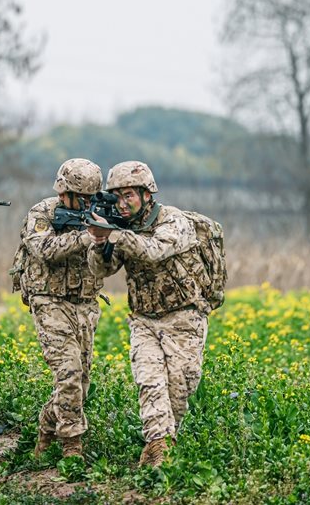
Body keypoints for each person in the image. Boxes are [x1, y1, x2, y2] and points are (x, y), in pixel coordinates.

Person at [86, 161, 210, 467]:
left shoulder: (174, 221)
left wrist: (116, 233)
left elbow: (154, 251)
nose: (123, 203)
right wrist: (100, 240)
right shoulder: (121, 227)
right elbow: (102, 269)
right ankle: (158, 448)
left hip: (184, 319)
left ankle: (165, 442)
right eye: (117, 196)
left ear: (147, 194)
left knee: (179, 389)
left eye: (129, 195)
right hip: (144, 320)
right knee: (150, 382)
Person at [17, 158, 105, 459]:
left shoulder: (99, 216)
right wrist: (86, 236)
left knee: (80, 381)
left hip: (85, 305)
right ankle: (72, 446)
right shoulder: (42, 213)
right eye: (79, 198)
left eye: (89, 198)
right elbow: (43, 249)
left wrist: (107, 238)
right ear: (63, 191)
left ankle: (47, 425)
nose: (84, 204)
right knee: (68, 373)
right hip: (49, 302)